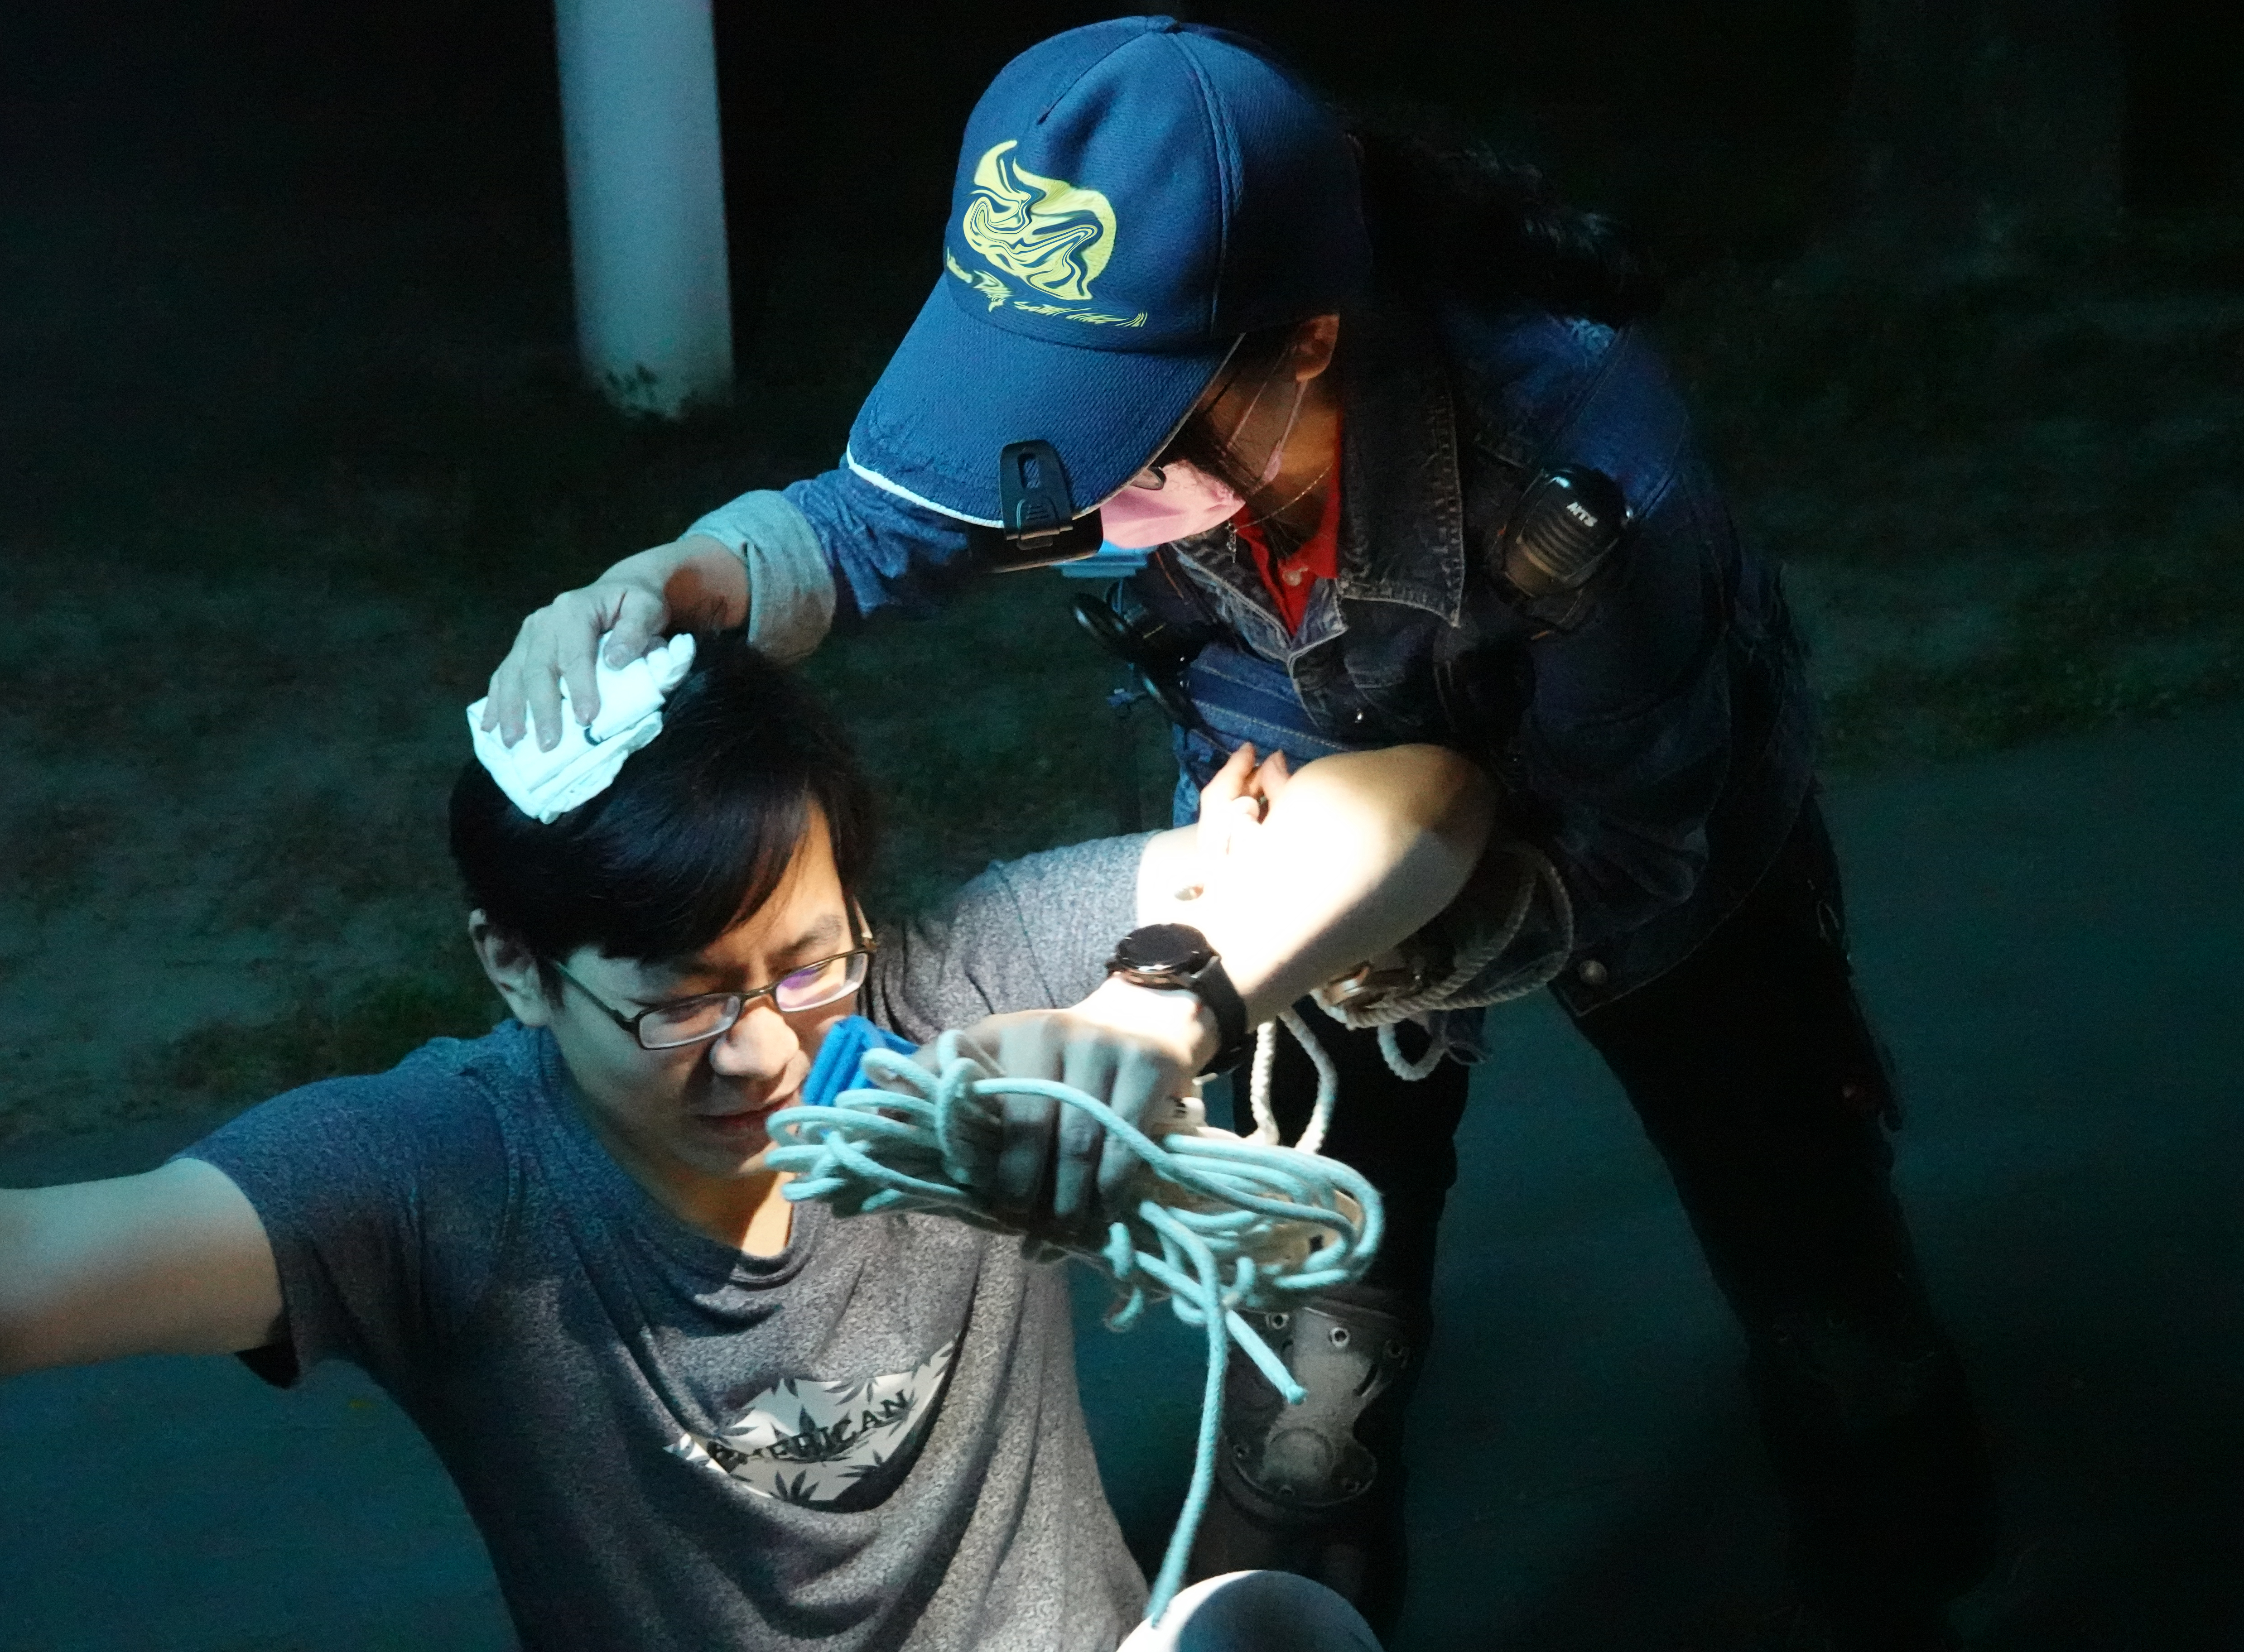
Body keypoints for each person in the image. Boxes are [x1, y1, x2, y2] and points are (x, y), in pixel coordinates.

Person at [477, 18, 1997, 1647]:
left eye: (1123, 426)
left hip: (1650, 850)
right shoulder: (1113, 398)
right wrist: (677, 579)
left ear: (1306, 351)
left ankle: (1909, 1559)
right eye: (1037, 399)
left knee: (1804, 1230)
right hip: (1268, 851)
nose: (1070, 478)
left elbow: (1640, 846)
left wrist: (1276, 940)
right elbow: (877, 524)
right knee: (1313, 1360)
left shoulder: (1588, 468)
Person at [0, 633, 1485, 1651]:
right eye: (676, 999)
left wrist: (1158, 1003)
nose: (761, 1047)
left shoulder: (971, 996)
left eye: (804, 962)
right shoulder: (438, 1179)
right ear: (514, 965)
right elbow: (1, 1283)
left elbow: (1427, 815)